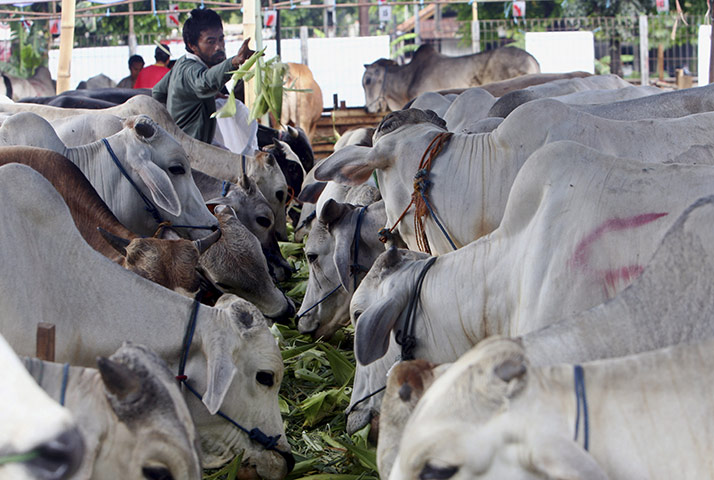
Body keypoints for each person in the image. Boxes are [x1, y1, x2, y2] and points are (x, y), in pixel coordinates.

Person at [152, 8, 255, 144]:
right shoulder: (189, 69)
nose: (219, 47)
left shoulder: (181, 62)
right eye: (210, 42)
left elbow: (158, 92)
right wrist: (234, 62)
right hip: (192, 150)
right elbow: (204, 83)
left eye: (221, 39)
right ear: (192, 45)